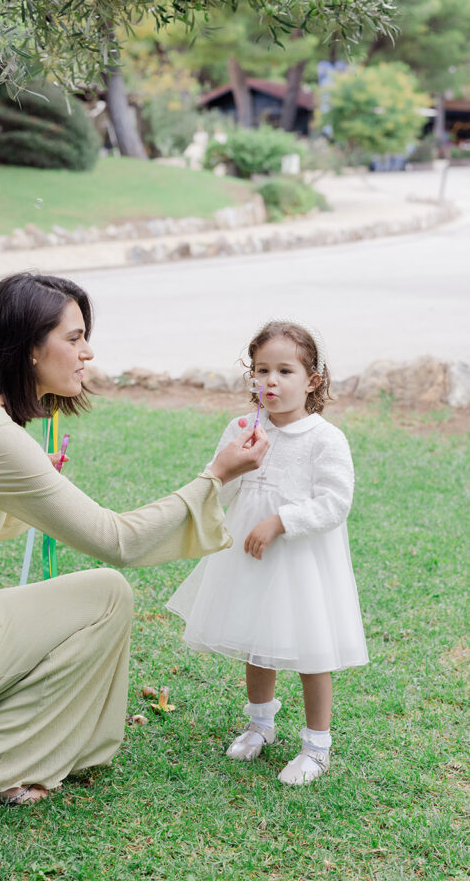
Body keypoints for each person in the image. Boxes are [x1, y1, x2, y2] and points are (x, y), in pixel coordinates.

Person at [0, 273, 269, 807]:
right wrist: (216, 476)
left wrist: (30, 485)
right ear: (29, 348)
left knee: (59, 602)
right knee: (107, 593)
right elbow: (118, 541)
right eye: (73, 338)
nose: (87, 352)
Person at [167, 319, 368, 785]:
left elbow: (335, 502)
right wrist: (232, 464)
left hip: (300, 563)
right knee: (256, 639)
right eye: (262, 370)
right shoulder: (243, 428)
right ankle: (260, 724)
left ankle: (316, 746)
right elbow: (221, 488)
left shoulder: (325, 439)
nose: (271, 381)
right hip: (251, 558)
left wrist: (280, 522)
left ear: (312, 381)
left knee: (311, 652)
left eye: (285, 371)